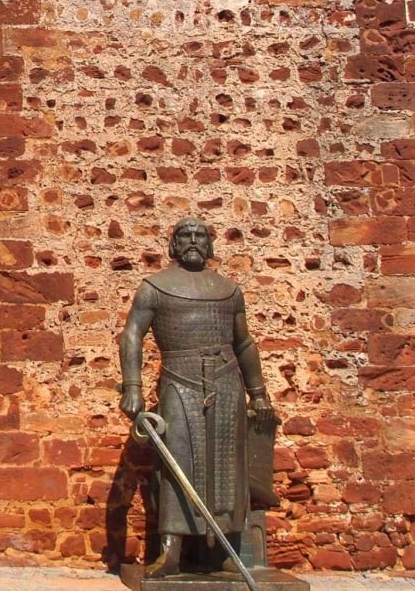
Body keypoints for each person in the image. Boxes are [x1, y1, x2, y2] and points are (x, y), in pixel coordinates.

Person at [118, 217, 275, 578]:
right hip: (180, 378)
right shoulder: (154, 288)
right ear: (174, 245)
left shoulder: (229, 291)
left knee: (228, 465)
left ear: (209, 244)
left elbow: (244, 342)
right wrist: (132, 387)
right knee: (177, 460)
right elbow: (132, 334)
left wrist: (258, 394)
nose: (193, 240)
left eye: (200, 235)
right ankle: (170, 550)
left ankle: (225, 551)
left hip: (226, 380)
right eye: (185, 235)